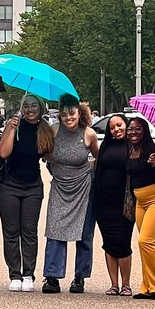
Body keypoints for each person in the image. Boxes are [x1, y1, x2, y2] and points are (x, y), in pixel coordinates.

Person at [0, 95, 54, 292]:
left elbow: (51, 156)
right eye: (26, 106)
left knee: (29, 231)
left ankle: (28, 273)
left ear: (41, 108)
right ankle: (15, 274)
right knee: (11, 232)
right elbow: (3, 153)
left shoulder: (45, 129)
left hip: (32, 186)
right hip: (9, 184)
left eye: (34, 106)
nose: (30, 109)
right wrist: (12, 128)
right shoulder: (14, 126)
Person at [42, 93, 99, 294]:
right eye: (64, 114)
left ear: (79, 113)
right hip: (60, 186)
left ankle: (80, 278)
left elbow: (98, 158)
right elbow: (45, 152)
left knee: (84, 234)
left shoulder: (89, 134)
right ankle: (52, 277)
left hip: (83, 187)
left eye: (72, 113)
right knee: (55, 229)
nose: (68, 118)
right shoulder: (54, 130)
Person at [127, 117, 155, 300]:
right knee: (147, 244)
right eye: (130, 129)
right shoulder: (130, 150)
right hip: (140, 201)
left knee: (145, 240)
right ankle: (148, 286)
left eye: (138, 129)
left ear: (145, 131)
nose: (133, 133)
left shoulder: (154, 151)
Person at [94, 114, 135, 296]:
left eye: (119, 125)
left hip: (124, 203)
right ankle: (114, 284)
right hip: (104, 202)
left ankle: (126, 284)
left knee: (123, 243)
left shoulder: (133, 147)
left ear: (125, 125)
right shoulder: (106, 145)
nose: (116, 130)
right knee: (109, 243)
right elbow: (98, 169)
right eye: (112, 128)